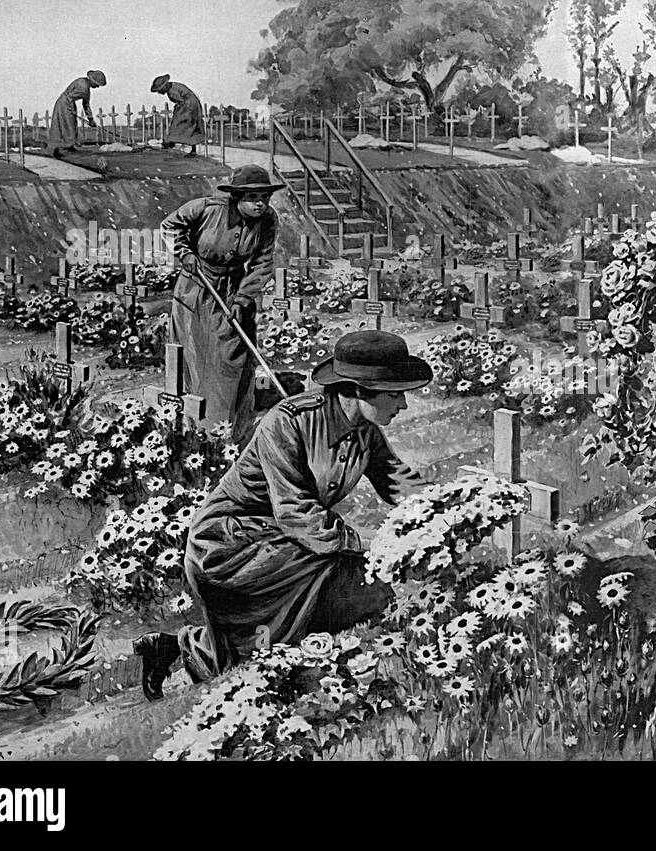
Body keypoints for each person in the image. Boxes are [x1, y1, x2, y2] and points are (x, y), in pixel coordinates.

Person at [133, 331, 434, 698]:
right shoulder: (289, 421)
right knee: (352, 584)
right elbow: (295, 512)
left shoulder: (363, 432)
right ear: (357, 390)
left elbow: (397, 482)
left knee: (355, 594)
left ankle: (175, 649)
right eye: (394, 393)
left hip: (289, 543)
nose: (402, 404)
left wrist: (443, 508)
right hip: (232, 542)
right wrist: (369, 547)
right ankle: (281, 676)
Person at [160, 164, 282, 447]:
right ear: (237, 197)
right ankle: (195, 429)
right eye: (253, 198)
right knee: (197, 357)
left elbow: (262, 263)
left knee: (233, 358)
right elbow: (170, 226)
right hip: (196, 290)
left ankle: (231, 430)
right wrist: (185, 253)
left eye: (265, 197)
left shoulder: (268, 221)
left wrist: (242, 298)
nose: (260, 204)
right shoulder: (205, 208)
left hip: (234, 290)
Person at [46, 70, 105, 157]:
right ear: (92, 81)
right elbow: (70, 97)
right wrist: (71, 110)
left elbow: (86, 104)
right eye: (97, 84)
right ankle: (58, 149)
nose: (97, 87)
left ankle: (69, 146)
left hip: (67, 103)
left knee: (71, 125)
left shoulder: (84, 84)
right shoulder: (83, 87)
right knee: (65, 127)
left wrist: (91, 119)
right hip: (64, 104)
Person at [150, 74, 205, 156]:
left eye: (159, 90)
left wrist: (178, 111)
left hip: (189, 106)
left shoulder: (172, 92)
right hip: (192, 104)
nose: (159, 92)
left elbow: (181, 102)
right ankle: (174, 143)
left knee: (180, 124)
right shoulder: (173, 86)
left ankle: (171, 142)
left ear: (164, 86)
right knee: (189, 126)